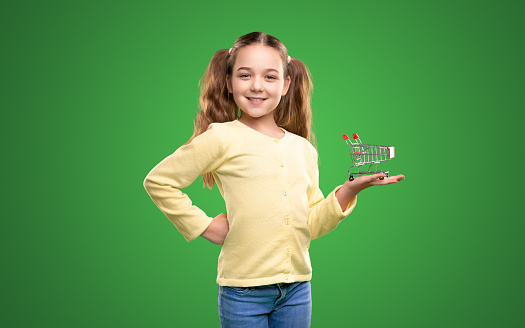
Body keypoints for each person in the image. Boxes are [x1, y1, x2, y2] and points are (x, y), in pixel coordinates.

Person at [143, 31, 404, 328]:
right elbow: (159, 181)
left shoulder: (303, 148)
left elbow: (311, 223)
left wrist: (347, 191)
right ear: (228, 82)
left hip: (297, 290)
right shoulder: (221, 137)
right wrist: (202, 225)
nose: (256, 86)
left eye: (269, 76)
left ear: (286, 83)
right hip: (243, 291)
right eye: (245, 75)